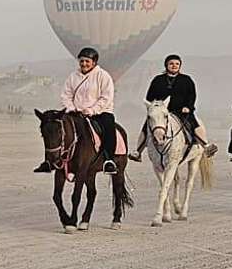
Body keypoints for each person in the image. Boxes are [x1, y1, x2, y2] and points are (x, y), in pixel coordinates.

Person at [38, 46, 118, 174]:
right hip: (76, 113)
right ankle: (51, 160)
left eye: (87, 61)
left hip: (100, 112)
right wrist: (72, 109)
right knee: (56, 128)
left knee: (109, 126)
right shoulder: (73, 77)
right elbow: (66, 95)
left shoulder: (103, 76)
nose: (84, 64)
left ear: (94, 62)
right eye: (82, 61)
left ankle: (109, 160)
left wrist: (91, 110)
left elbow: (106, 97)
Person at [134, 53, 200, 160]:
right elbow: (150, 97)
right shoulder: (158, 80)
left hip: (181, 111)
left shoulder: (186, 80)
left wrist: (188, 107)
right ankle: (138, 152)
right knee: (147, 127)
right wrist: (155, 107)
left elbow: (192, 95)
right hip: (162, 112)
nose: (174, 66)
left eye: (177, 64)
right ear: (166, 65)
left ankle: (205, 146)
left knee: (194, 125)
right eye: (171, 64)